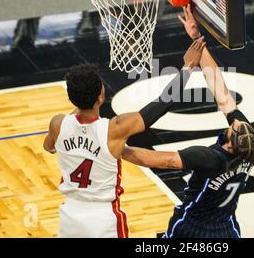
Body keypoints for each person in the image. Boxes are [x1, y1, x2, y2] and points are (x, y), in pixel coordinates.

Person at [122, 5, 254, 238]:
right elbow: (217, 85)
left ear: (230, 141)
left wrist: (118, 148)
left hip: (192, 229)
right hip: (227, 229)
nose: (236, 120)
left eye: (236, 125)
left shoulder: (209, 158)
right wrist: (197, 39)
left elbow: (161, 160)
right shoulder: (247, 148)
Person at [43, 39, 205, 238]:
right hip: (102, 219)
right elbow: (161, 104)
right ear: (100, 97)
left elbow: (49, 147)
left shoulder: (58, 124)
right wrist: (187, 68)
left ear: (71, 98)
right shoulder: (114, 129)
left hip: (70, 215)